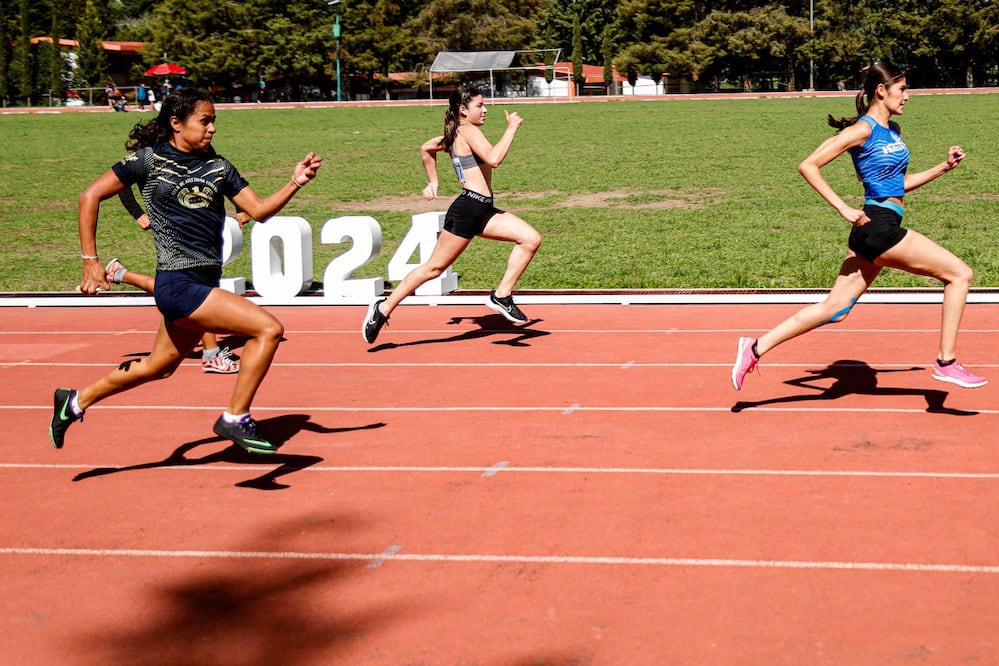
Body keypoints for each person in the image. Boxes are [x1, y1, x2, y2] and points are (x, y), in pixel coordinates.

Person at [50, 88, 322, 454]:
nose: (211, 129)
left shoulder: (219, 166)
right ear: (176, 124)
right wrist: (90, 261)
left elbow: (257, 211)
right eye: (204, 121)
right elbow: (90, 196)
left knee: (157, 367)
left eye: (214, 122)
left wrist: (295, 182)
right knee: (268, 329)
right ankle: (235, 417)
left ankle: (74, 401)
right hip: (177, 283)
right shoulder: (147, 161)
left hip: (203, 280)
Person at [732, 61, 985, 391]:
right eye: (903, 89)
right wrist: (842, 207)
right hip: (877, 227)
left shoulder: (893, 131)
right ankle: (946, 361)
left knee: (835, 309)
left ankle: (754, 348)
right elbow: (808, 165)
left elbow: (898, 184)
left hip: (876, 226)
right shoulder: (861, 131)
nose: (907, 96)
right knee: (959, 274)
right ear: (882, 91)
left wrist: (943, 168)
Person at [361, 83, 542, 344]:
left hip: (483, 209)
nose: (485, 110)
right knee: (433, 269)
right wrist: (511, 129)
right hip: (468, 209)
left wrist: (433, 181)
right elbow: (493, 158)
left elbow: (426, 149)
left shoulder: (457, 131)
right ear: (463, 110)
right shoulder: (467, 130)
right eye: (480, 105)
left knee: (530, 239)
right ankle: (383, 308)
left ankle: (501, 295)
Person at [108, 186, 249, 374]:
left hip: (194, 226)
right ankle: (211, 355)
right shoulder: (148, 158)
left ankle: (119, 274)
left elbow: (217, 178)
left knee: (186, 288)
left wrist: (239, 207)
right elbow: (121, 182)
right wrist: (138, 213)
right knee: (197, 289)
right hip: (173, 230)